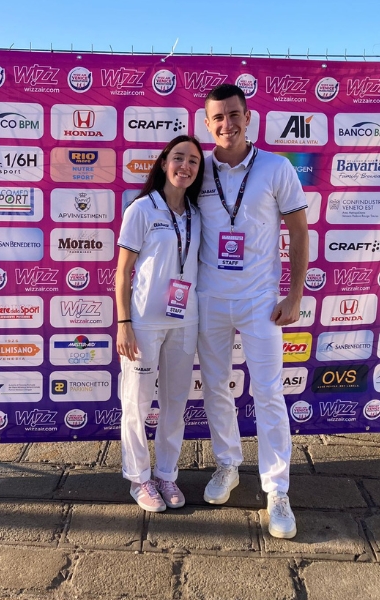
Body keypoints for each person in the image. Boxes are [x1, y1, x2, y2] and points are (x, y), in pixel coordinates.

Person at [196, 84, 309, 538]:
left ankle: (277, 489)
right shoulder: (197, 169)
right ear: (207, 124)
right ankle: (227, 465)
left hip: (261, 301)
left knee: (268, 393)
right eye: (218, 118)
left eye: (234, 115)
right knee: (215, 389)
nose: (227, 124)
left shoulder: (276, 168)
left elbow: (299, 232)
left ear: (248, 117)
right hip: (209, 299)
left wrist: (294, 296)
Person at [115, 135, 205, 512]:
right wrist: (124, 322)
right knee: (136, 403)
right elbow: (122, 272)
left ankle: (166, 473)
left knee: (174, 404)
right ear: (165, 162)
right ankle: (139, 478)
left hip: (184, 322)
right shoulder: (142, 209)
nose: (185, 166)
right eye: (179, 158)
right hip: (145, 323)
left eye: (194, 161)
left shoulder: (197, 214)